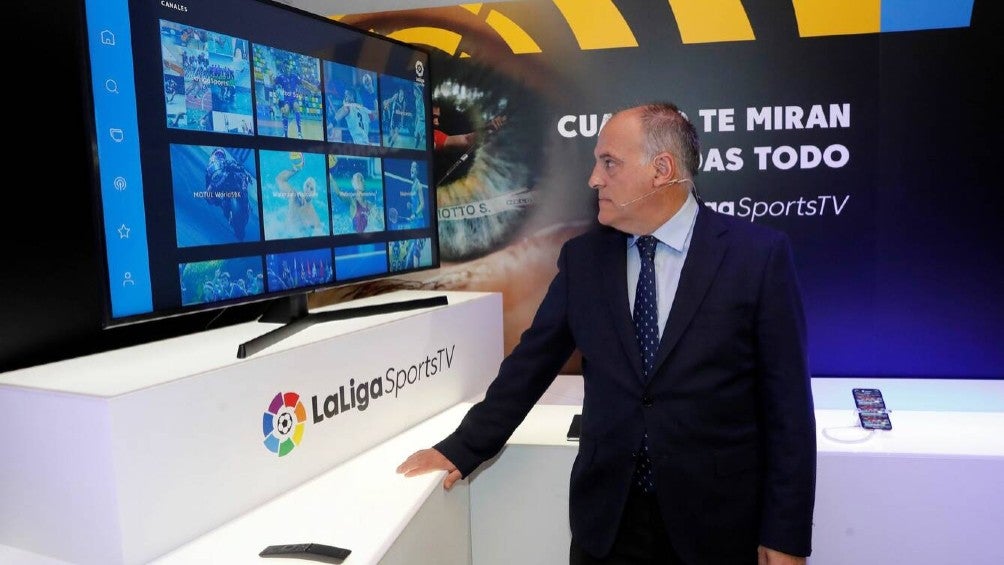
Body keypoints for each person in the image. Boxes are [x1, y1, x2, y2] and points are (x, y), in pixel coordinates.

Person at [396, 102, 816, 565]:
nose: (594, 179)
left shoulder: (757, 257)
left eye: (609, 163)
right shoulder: (584, 260)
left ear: (661, 170)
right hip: (609, 525)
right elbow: (530, 364)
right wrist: (462, 447)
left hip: (716, 527)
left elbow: (788, 410)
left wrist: (786, 535)